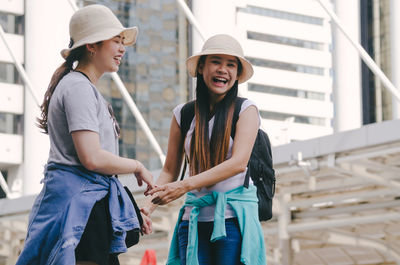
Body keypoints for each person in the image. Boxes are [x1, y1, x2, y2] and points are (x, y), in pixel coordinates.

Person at [16, 5, 154, 265]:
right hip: (81, 212)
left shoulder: (83, 88)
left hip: (87, 207)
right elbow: (91, 158)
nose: (122, 48)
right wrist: (137, 165)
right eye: (115, 40)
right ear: (92, 45)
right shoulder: (78, 87)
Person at [142, 34, 267, 265]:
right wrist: (147, 208)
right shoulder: (183, 114)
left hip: (233, 222)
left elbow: (238, 162)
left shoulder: (246, 110)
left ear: (237, 74)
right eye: (216, 61)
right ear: (201, 66)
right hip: (192, 222)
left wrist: (185, 185)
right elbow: (170, 169)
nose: (223, 70)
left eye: (231, 64)